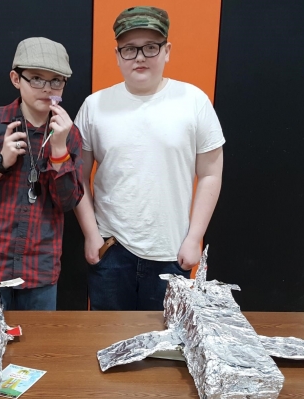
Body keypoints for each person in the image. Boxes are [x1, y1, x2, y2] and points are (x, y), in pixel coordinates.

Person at [74, 6, 225, 310]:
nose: (140, 56)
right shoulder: (94, 106)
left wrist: (195, 237)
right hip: (111, 250)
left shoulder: (193, 101)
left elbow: (210, 173)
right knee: (109, 343)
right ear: (117, 55)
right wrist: (91, 234)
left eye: (150, 47)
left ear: (166, 51)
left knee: (166, 348)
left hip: (171, 251)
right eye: (129, 49)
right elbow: (77, 176)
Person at [0, 37, 83, 310]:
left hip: (40, 271)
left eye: (56, 81)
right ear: (16, 78)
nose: (46, 89)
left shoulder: (69, 133)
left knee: (35, 351)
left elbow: (69, 202)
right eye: (36, 78)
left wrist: (59, 150)